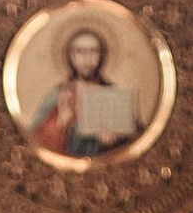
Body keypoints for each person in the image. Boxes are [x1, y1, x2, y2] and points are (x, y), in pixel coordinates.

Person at [27, 23, 144, 159]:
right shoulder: (59, 94)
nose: (87, 58)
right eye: (80, 51)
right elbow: (34, 141)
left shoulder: (114, 94)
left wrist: (116, 140)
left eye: (93, 51)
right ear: (70, 56)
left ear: (102, 55)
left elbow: (137, 140)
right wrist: (61, 123)